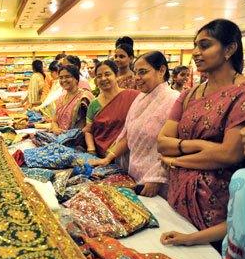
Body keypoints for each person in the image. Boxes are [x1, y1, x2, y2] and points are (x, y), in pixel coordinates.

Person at [158, 19, 245, 237]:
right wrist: (200, 145)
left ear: (229, 49)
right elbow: (162, 142)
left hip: (217, 209)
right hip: (177, 197)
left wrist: (175, 161)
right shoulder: (188, 95)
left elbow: (229, 154)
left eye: (205, 45)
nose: (196, 52)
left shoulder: (243, 92)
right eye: (195, 46)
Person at [90, 51, 179, 197]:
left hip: (157, 183)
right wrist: (108, 158)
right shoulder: (139, 99)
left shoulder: (174, 100)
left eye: (143, 72)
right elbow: (128, 136)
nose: (137, 78)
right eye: (136, 72)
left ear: (162, 70)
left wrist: (156, 179)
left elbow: (173, 146)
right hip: (134, 176)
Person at [161, 124, 245, 256]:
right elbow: (233, 224)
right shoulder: (242, 177)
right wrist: (189, 238)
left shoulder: (243, 179)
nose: (242, 132)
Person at [83, 60, 139, 157]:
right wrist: (91, 150)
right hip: (101, 155)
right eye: (99, 76)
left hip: (128, 153)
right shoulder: (94, 104)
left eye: (107, 74)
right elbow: (88, 130)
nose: (103, 78)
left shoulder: (132, 96)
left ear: (116, 75)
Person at [51, 65, 94, 134]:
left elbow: (91, 125)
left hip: (78, 139)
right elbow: (54, 121)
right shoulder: (61, 98)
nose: (63, 80)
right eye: (61, 78)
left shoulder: (85, 97)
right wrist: (55, 129)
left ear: (76, 79)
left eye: (67, 77)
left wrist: (70, 136)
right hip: (59, 138)